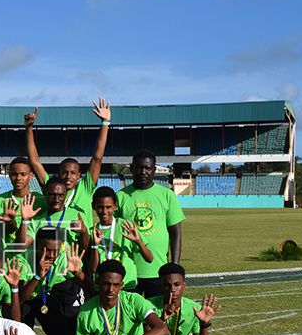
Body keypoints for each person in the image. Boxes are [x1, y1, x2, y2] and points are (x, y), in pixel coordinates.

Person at [17, 228, 89, 335]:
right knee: (20, 330)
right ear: (37, 245)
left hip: (54, 295)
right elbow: (20, 299)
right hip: (32, 296)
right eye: (46, 249)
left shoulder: (66, 255)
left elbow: (89, 287)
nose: (51, 255)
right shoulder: (24, 258)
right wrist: (37, 275)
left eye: (56, 250)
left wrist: (77, 272)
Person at [25, 98, 111, 228]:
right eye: (64, 172)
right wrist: (28, 128)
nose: (68, 176)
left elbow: (97, 158)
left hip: (81, 244)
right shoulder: (51, 186)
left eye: (73, 173)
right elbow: (35, 162)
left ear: (79, 175)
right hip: (54, 245)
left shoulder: (85, 187)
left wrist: (105, 123)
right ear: (59, 174)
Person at [117, 150, 185, 299]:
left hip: (158, 272)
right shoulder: (120, 197)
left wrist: (173, 268)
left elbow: (176, 234)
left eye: (148, 168)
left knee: (157, 317)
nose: (143, 172)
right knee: (129, 318)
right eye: (139, 167)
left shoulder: (167, 195)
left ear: (154, 169)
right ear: (132, 168)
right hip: (128, 273)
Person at [87, 186, 152, 292]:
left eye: (108, 207)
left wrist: (138, 241)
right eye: (100, 207)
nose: (104, 211)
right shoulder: (92, 232)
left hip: (126, 285)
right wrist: (94, 245)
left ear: (115, 206)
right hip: (103, 287)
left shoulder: (126, 226)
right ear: (93, 206)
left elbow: (149, 258)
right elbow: (93, 269)